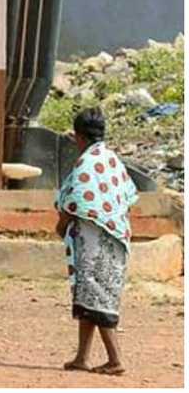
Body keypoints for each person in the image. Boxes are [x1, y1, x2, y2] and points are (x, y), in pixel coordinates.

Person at [55, 107, 138, 376]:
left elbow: (75, 200)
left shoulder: (87, 163)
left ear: (79, 137)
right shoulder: (112, 160)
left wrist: (62, 224)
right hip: (115, 239)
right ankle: (82, 357)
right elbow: (128, 196)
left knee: (97, 297)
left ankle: (115, 359)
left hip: (94, 241)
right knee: (88, 297)